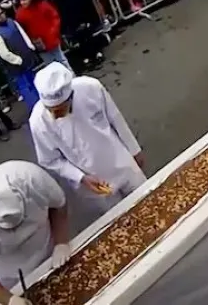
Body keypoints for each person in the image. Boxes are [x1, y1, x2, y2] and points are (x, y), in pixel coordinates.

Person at [29, 62, 146, 219]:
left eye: (61, 109)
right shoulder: (38, 121)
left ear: (71, 96)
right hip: (93, 182)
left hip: (122, 162)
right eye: (52, 111)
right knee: (124, 221)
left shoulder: (90, 88)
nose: (56, 115)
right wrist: (80, 177)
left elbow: (115, 118)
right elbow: (50, 161)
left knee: (149, 199)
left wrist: (134, 149)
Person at [0, 160, 70, 305]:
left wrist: (61, 242)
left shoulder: (32, 178)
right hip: (7, 269)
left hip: (46, 244)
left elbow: (59, 205)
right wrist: (9, 299)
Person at [0, 5, 41, 108]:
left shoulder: (12, 22)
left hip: (26, 57)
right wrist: (18, 60)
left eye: (2, 12)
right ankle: (35, 108)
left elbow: (23, 34)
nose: (1, 16)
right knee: (26, 88)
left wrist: (30, 46)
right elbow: (4, 54)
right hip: (16, 66)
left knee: (35, 82)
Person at [15, 0, 70, 71]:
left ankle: (72, 78)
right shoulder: (20, 14)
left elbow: (55, 17)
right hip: (39, 44)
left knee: (62, 61)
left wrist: (53, 31)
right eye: (21, 0)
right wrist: (31, 42)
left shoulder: (43, 5)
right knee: (51, 67)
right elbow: (23, 31)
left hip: (51, 40)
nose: (22, 2)